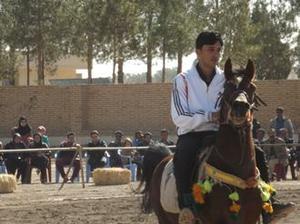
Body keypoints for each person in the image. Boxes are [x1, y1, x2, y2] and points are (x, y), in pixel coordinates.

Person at [171, 31, 294, 224]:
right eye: (210, 49)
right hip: (192, 133)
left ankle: (269, 204)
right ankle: (186, 206)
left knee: (258, 153)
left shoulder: (226, 79)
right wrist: (209, 116)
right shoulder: (182, 80)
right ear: (198, 52)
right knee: (184, 154)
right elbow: (178, 117)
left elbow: (238, 99)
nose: (216, 54)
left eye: (219, 50)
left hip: (221, 132)